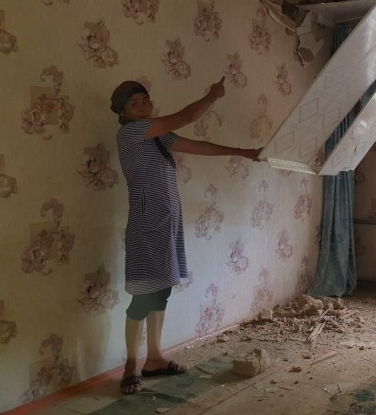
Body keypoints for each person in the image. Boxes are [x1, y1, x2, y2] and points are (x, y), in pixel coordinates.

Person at [110, 77, 262, 395]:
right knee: (142, 296)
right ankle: (130, 366)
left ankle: (154, 359)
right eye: (134, 104)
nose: (142, 107)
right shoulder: (131, 132)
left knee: (161, 291)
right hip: (146, 224)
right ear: (123, 113)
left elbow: (197, 146)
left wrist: (243, 152)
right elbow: (187, 116)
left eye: (145, 100)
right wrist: (212, 94)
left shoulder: (156, 136)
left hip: (167, 223)